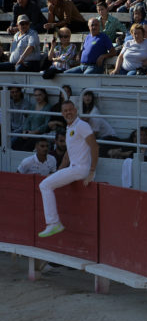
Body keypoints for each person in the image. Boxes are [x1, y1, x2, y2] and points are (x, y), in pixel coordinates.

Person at [38, 101, 98, 238]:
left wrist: (92, 171)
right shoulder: (70, 127)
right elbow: (68, 154)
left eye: (70, 110)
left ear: (76, 110)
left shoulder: (82, 125)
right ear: (61, 113)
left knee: (44, 185)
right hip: (75, 168)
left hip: (81, 169)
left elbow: (95, 147)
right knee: (47, 184)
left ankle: (53, 223)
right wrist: (59, 171)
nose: (68, 113)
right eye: (65, 111)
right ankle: (53, 223)